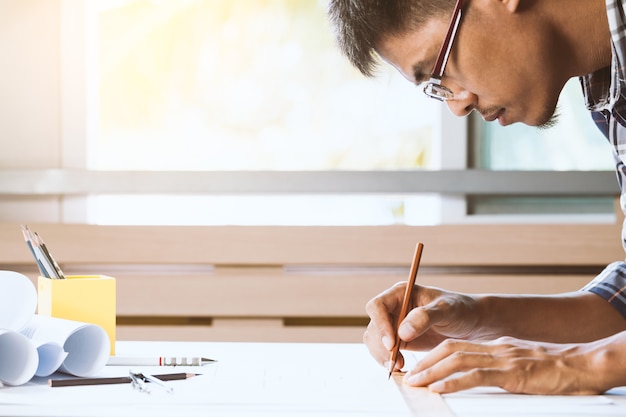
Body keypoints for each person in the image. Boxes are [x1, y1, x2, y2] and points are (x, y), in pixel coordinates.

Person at [327, 0, 626, 395]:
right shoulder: (609, 88)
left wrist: (588, 363)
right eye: (437, 90)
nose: (457, 105)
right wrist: (478, 317)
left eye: (439, 70)